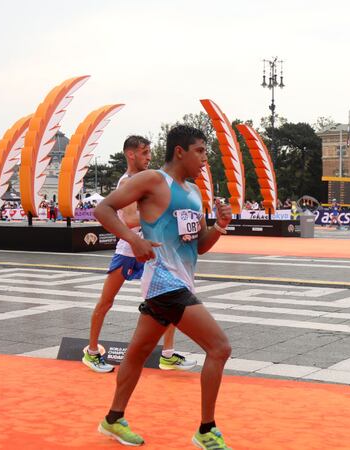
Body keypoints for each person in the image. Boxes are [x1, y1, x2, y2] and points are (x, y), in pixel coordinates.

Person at [94, 125, 233, 449]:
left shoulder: (195, 193)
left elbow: (198, 246)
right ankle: (206, 430)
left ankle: (113, 420)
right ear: (180, 151)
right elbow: (103, 209)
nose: (204, 159)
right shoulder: (153, 180)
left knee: (138, 352)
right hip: (164, 282)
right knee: (219, 348)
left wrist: (220, 226)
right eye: (200, 151)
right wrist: (133, 239)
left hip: (177, 283)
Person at [84, 135, 195, 374]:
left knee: (171, 297)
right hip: (128, 250)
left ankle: (167, 354)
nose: (149, 157)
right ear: (130, 154)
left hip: (150, 250)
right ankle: (91, 352)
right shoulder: (128, 182)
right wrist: (159, 216)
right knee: (106, 301)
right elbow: (131, 218)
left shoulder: (148, 180)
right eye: (144, 153)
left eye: (149, 152)